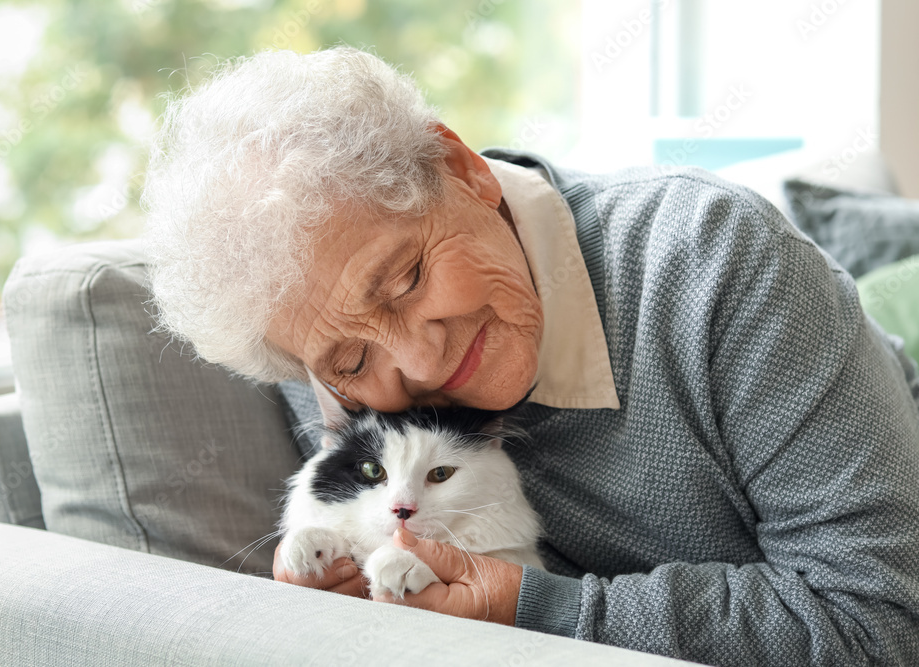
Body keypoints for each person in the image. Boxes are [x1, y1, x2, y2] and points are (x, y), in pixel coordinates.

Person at [142, 47, 919, 665]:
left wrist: (533, 606)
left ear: (463, 171)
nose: (418, 358)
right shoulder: (335, 378)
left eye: (409, 277)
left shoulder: (719, 259)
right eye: (349, 359)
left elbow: (882, 622)